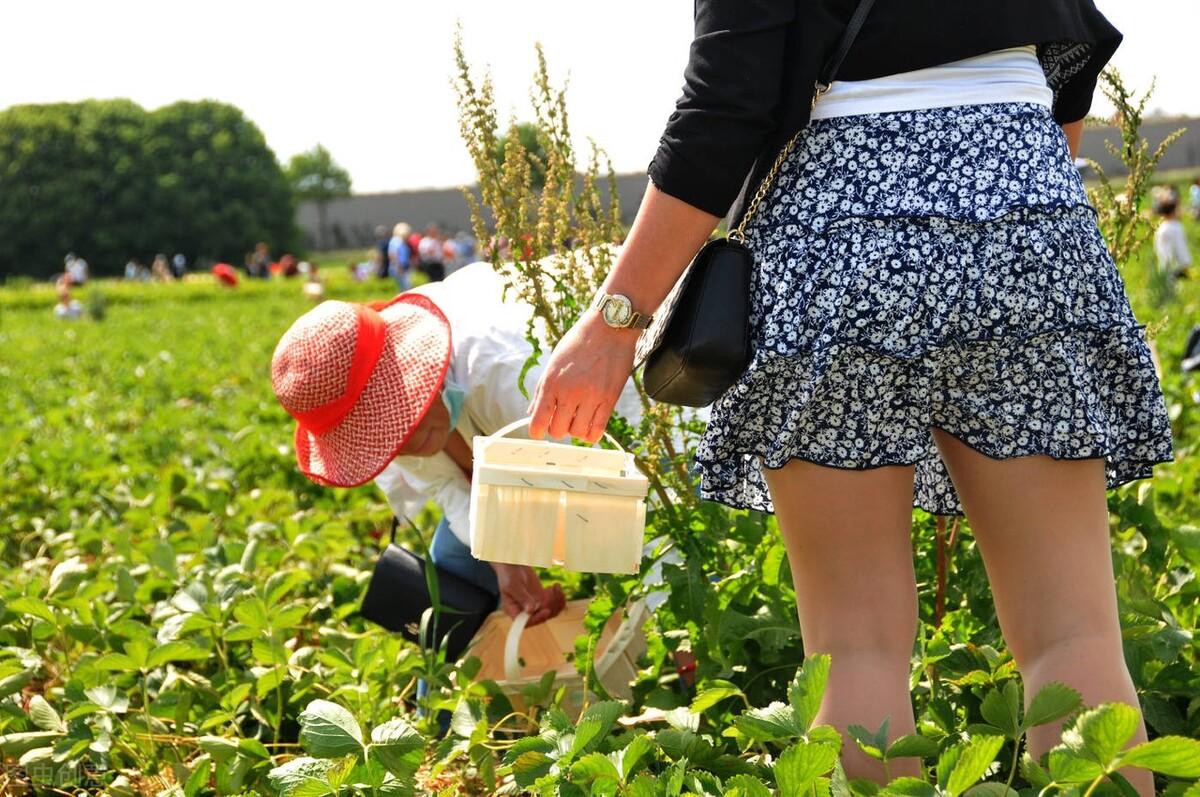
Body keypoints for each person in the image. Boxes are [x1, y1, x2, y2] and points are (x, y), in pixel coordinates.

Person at [525, 3, 1173, 793]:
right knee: (1071, 637)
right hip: (1027, 195)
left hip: (839, 219)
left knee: (856, 646)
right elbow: (1076, 46)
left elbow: (727, 105)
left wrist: (613, 324)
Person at [271, 260, 643, 626]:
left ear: (410, 371)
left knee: (607, 548)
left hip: (632, 411)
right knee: (449, 583)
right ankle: (454, 680)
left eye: (401, 419)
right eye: (382, 439)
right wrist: (503, 559)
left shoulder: (513, 373)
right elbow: (446, 485)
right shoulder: (385, 415)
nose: (405, 445)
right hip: (519, 466)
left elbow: (624, 497)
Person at [1153, 187, 1192, 279]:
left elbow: (1157, 248)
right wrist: (1186, 264)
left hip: (1164, 266)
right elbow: (1180, 247)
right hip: (1177, 268)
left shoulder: (1160, 228)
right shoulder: (1176, 227)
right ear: (1173, 211)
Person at [387, 223, 413, 290]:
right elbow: (393, 255)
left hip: (404, 268)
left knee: (405, 287)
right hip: (399, 268)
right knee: (405, 288)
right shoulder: (396, 241)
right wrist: (398, 267)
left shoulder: (403, 241)